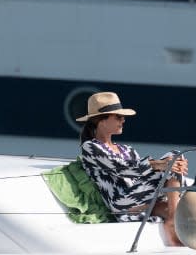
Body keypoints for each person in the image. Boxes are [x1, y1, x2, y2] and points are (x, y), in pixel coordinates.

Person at [77, 91, 188, 245]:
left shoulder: (126, 149)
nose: (123, 120)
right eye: (118, 116)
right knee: (174, 156)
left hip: (137, 196)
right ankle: (173, 221)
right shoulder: (90, 147)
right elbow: (122, 168)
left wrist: (168, 165)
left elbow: (140, 174)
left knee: (176, 157)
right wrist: (159, 165)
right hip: (120, 202)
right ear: (101, 121)